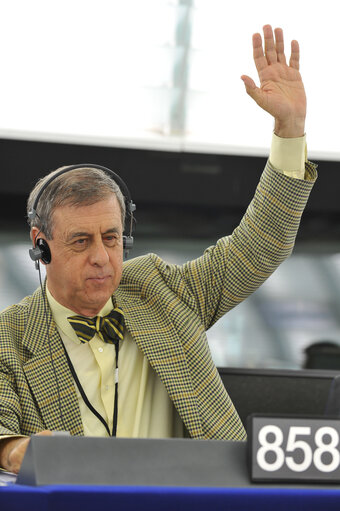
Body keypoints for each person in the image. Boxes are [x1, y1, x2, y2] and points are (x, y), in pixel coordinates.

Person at [0, 25, 317, 474]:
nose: (101, 256)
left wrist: (290, 130)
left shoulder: (160, 290)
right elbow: (2, 435)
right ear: (40, 247)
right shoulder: (9, 338)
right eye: (80, 241)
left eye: (111, 238)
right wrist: (15, 451)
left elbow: (258, 247)